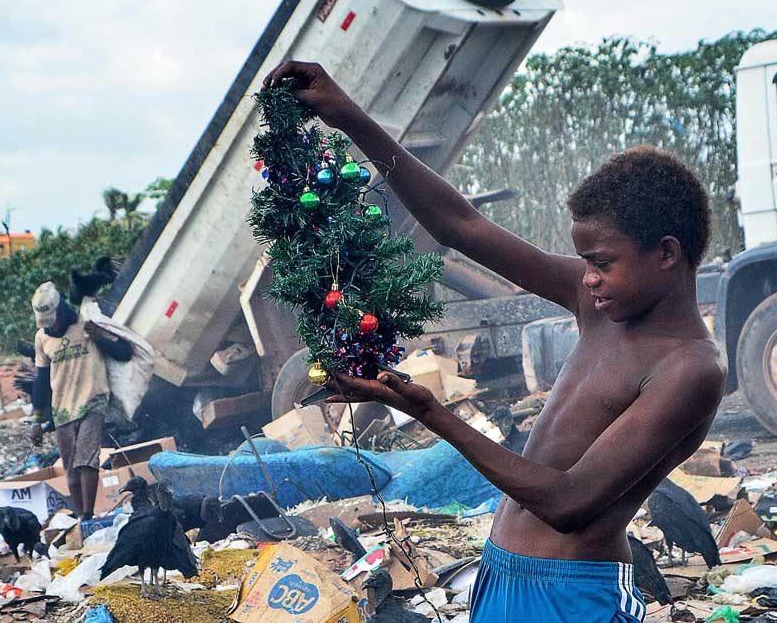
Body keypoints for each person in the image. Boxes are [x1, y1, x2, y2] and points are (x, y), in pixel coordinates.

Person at [263, 62, 727, 622]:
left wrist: (430, 412)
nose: (588, 278)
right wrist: (351, 119)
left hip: (573, 597)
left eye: (602, 263)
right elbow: (460, 224)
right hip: (501, 573)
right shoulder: (596, 303)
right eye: (584, 263)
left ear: (668, 254)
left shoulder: (690, 368)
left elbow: (569, 502)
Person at [29, 281, 132, 521]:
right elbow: (42, 380)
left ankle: (87, 514)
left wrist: (99, 339)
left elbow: (124, 352)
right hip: (62, 409)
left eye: (53, 320)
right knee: (70, 470)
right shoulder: (42, 339)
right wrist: (36, 420)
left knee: (87, 460)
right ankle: (80, 517)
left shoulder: (87, 324)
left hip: (93, 400)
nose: (51, 326)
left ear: (61, 310)